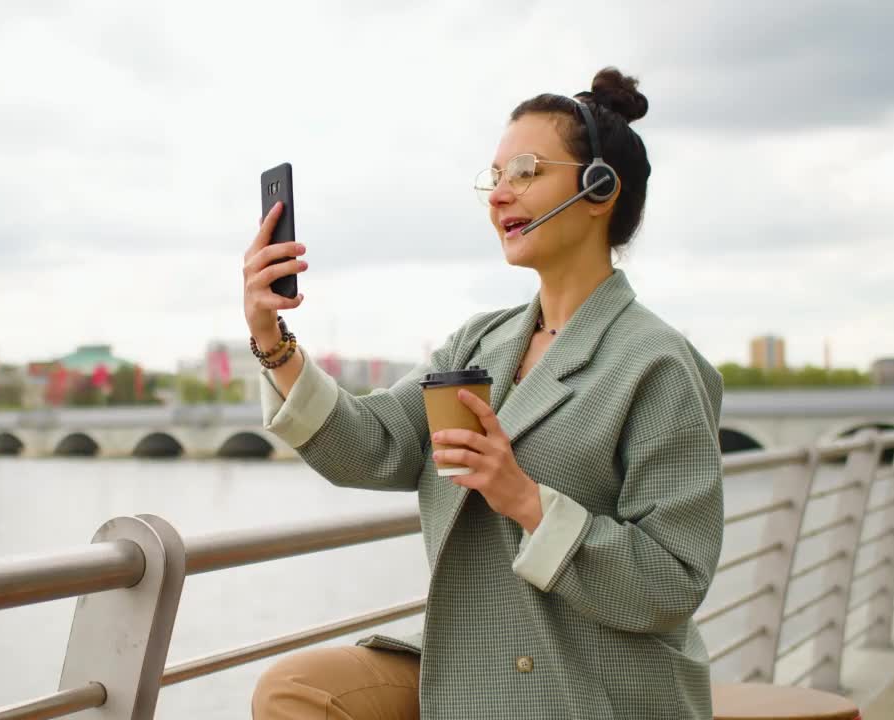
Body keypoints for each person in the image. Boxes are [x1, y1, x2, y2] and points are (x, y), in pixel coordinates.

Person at [241, 67, 725, 720]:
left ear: (599, 188)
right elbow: (375, 447)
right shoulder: (479, 344)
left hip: (589, 686)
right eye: (493, 179)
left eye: (524, 171)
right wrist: (271, 336)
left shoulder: (657, 364)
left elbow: (672, 583)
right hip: (475, 666)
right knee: (296, 692)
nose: (500, 196)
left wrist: (523, 498)